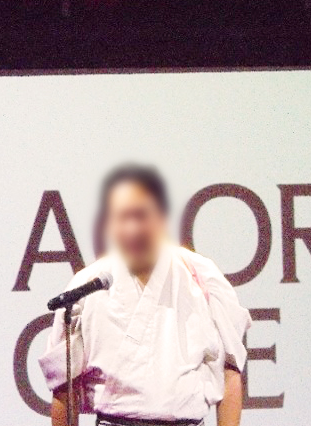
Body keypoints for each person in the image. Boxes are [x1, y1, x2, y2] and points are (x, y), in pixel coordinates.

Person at [39, 164, 251, 426]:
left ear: (161, 218)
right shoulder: (86, 285)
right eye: (121, 217)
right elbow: (64, 386)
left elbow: (230, 373)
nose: (131, 228)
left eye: (140, 215)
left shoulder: (202, 276)